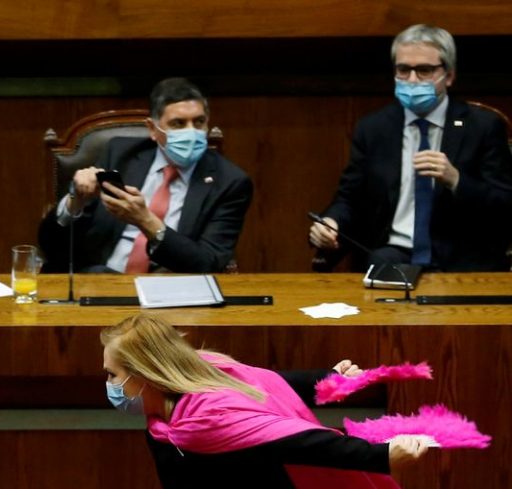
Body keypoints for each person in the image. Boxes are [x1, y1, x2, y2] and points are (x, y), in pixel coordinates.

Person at [101, 314, 429, 489]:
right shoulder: (164, 416)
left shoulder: (208, 420)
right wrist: (329, 377)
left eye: (113, 375)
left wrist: (381, 456)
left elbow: (304, 443)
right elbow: (274, 383)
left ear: (144, 375)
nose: (109, 385)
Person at [309, 24, 512, 272]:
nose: (412, 80)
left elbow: (504, 205)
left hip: (462, 260)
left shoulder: (481, 127)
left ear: (449, 76)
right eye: (404, 70)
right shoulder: (374, 129)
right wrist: (332, 222)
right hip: (394, 255)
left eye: (424, 70)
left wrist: (456, 179)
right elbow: (349, 197)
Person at [38, 77, 253, 273]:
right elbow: (51, 244)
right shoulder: (120, 155)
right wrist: (75, 202)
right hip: (98, 282)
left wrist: (146, 221)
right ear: (152, 128)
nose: (191, 132)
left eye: (198, 122)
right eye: (178, 123)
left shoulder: (230, 182)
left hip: (172, 291)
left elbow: (209, 263)